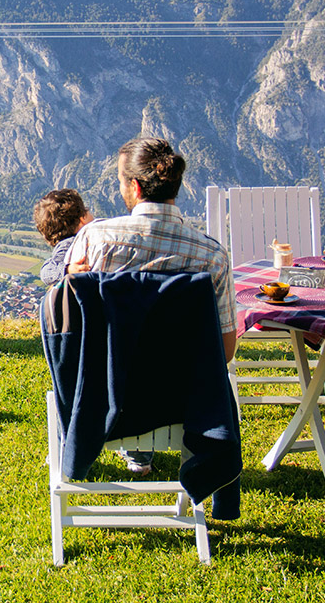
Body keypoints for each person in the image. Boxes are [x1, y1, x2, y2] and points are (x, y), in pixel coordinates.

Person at [65, 137, 237, 475]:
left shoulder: (95, 240)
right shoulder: (212, 256)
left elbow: (71, 331)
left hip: (104, 396)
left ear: (135, 187)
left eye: (120, 181)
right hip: (183, 405)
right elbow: (226, 350)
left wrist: (70, 278)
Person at [33, 188, 93, 284]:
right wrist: (67, 270)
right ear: (83, 218)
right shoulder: (68, 244)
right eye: (87, 211)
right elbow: (46, 272)